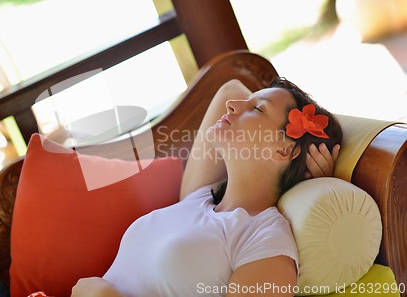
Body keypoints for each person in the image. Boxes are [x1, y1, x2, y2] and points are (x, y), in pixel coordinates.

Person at [71, 77, 342, 297]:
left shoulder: (264, 241)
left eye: (257, 108)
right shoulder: (200, 196)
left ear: (286, 149)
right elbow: (230, 87)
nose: (233, 105)